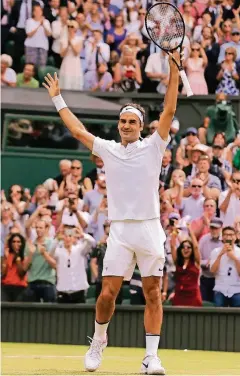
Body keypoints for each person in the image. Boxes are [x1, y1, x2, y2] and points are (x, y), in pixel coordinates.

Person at [43, 49, 181, 375]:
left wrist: (174, 70)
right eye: (122, 121)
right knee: (107, 294)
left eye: (132, 122)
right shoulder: (107, 148)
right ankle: (99, 339)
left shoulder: (154, 145)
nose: (126, 126)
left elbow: (171, 107)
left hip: (149, 229)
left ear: (142, 126)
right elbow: (78, 131)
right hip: (119, 229)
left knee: (152, 294)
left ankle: (151, 358)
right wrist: (58, 99)